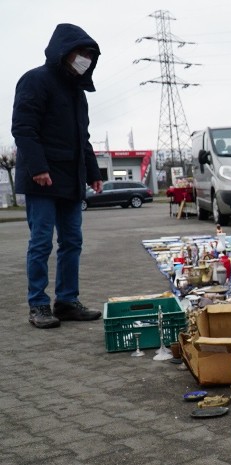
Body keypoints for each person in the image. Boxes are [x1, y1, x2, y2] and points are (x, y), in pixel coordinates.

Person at [12, 23, 103, 329]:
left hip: (70, 178)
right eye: (81, 53)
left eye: (90, 55)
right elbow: (23, 128)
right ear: (63, 52)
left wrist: (93, 173)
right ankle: (38, 304)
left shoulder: (78, 93)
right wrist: (38, 167)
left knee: (72, 241)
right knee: (41, 242)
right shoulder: (35, 80)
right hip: (42, 179)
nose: (85, 59)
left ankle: (66, 302)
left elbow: (83, 137)